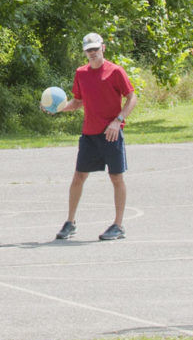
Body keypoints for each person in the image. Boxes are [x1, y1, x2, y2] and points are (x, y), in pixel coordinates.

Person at [46, 32, 135, 241]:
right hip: (89, 135)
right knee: (79, 176)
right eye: (89, 50)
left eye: (95, 49)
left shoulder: (115, 72)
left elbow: (132, 97)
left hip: (111, 134)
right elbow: (77, 102)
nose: (92, 53)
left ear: (103, 48)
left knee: (116, 177)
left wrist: (118, 120)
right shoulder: (81, 73)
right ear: (85, 52)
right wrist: (57, 109)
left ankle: (118, 225)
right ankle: (70, 222)